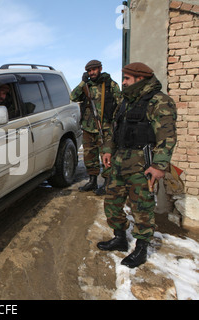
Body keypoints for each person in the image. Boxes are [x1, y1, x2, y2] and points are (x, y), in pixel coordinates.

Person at [97, 62, 177, 268]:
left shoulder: (159, 102)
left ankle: (141, 248)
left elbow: (166, 137)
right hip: (119, 161)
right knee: (112, 202)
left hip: (142, 164)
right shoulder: (125, 101)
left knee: (142, 208)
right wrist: (107, 149)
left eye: (127, 79)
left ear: (140, 79)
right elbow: (114, 130)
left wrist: (159, 166)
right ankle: (120, 238)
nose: (123, 83)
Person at [71, 60, 121, 195]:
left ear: (100, 69)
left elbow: (120, 104)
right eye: (89, 71)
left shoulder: (110, 85)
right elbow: (73, 96)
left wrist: (114, 122)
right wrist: (82, 83)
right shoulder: (86, 85)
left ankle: (107, 182)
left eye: (94, 70)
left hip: (104, 127)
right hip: (88, 127)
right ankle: (92, 180)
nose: (91, 73)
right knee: (89, 155)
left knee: (106, 155)